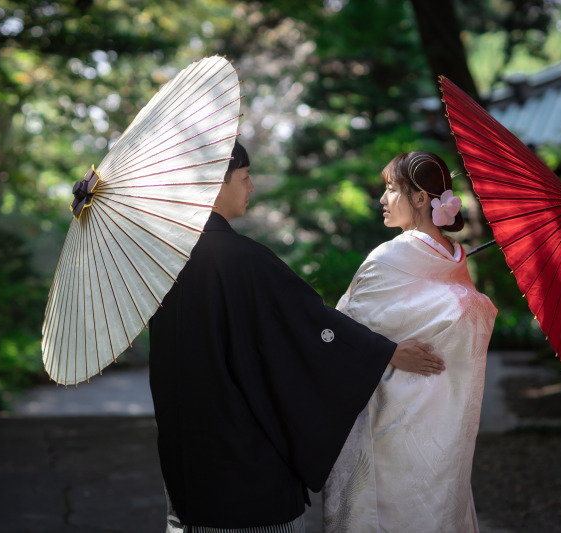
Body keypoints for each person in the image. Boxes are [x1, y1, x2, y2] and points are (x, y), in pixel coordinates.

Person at [148, 141, 446, 532]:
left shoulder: (160, 263)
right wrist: (383, 352)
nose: (251, 186)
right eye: (244, 177)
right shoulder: (242, 259)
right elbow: (307, 328)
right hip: (246, 468)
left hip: (187, 467)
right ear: (214, 185)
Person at [322, 151, 497, 533]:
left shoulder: (392, 256)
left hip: (395, 422)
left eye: (390, 189)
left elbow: (342, 329)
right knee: (435, 507)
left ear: (420, 198)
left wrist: (385, 350)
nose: (382, 200)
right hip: (441, 419)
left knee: (391, 512)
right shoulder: (453, 255)